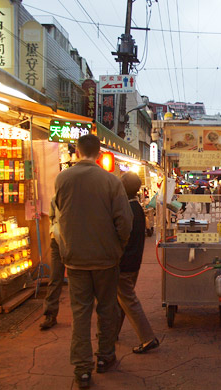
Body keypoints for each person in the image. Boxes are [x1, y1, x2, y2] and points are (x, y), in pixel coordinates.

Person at [55, 134, 133, 388]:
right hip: (106, 259)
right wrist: (117, 247)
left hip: (75, 259)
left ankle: (82, 369)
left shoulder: (62, 178)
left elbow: (58, 215)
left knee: (80, 313)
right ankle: (105, 357)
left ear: (77, 152)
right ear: (99, 154)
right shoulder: (111, 180)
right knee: (107, 308)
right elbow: (125, 220)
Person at [116, 172, 159, 354]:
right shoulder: (138, 209)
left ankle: (147, 337)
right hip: (134, 261)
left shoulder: (126, 210)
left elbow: (121, 237)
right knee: (122, 299)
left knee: (128, 299)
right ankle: (111, 332)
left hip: (124, 263)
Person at [39, 198, 64, 330]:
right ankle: (50, 314)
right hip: (57, 240)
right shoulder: (56, 198)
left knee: (80, 277)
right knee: (55, 277)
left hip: (76, 241)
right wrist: (53, 231)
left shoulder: (81, 195)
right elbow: (51, 216)